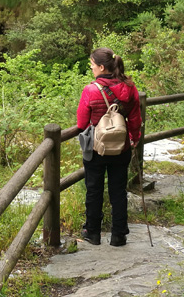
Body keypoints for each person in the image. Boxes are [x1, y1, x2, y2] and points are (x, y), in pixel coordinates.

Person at [76, 47, 142, 247]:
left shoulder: (90, 90)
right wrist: (134, 138)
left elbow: (81, 123)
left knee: (94, 189)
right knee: (118, 191)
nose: (91, 68)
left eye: (92, 65)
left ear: (101, 67)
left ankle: (92, 232)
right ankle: (118, 235)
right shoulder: (129, 87)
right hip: (121, 147)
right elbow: (135, 118)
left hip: (97, 148)